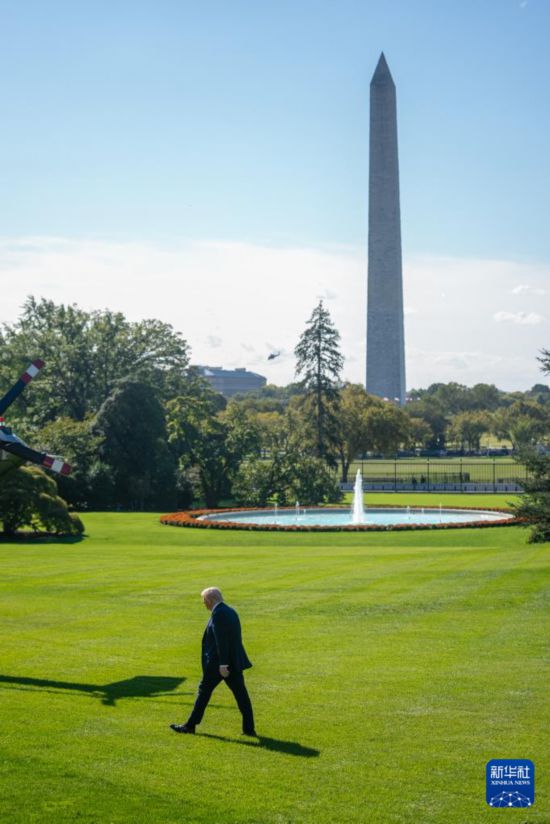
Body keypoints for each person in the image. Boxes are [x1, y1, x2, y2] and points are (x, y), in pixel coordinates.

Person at [170, 587, 256, 736]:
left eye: (204, 601)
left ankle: (190, 726)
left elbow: (221, 641)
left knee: (204, 692)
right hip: (233, 662)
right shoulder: (230, 611)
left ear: (209, 600)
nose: (204, 604)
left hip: (219, 664)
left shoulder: (219, 614)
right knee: (241, 695)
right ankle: (249, 729)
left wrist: (223, 664)